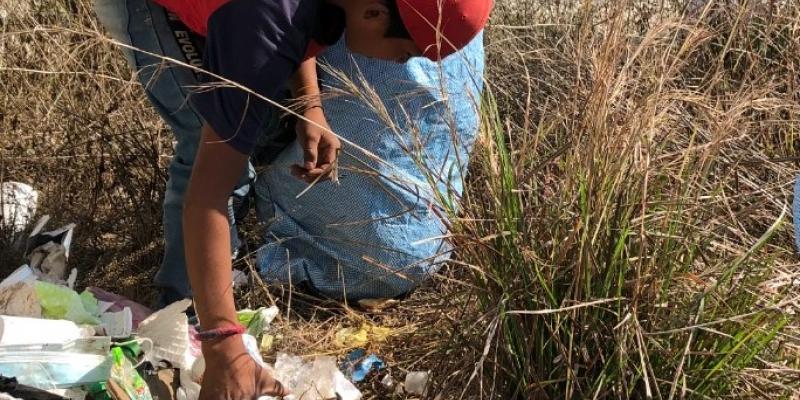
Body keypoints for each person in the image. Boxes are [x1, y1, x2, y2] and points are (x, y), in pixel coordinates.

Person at [94, 0, 491, 397]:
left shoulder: (329, 11)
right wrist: (225, 346)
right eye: (404, 54)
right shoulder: (263, 24)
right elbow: (207, 198)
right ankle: (183, 321)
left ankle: (209, 313)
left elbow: (301, 22)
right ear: (373, 14)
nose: (400, 63)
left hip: (249, 17)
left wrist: (309, 105)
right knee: (210, 150)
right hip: (150, 9)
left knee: (240, 135)